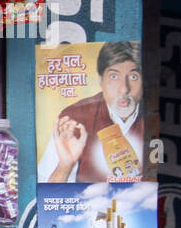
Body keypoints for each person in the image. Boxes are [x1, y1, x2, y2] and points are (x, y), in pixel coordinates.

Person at [38, 40, 144, 183]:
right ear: (101, 80)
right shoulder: (74, 119)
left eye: (133, 77)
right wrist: (65, 165)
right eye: (114, 76)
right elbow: (47, 197)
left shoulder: (155, 115)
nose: (124, 89)